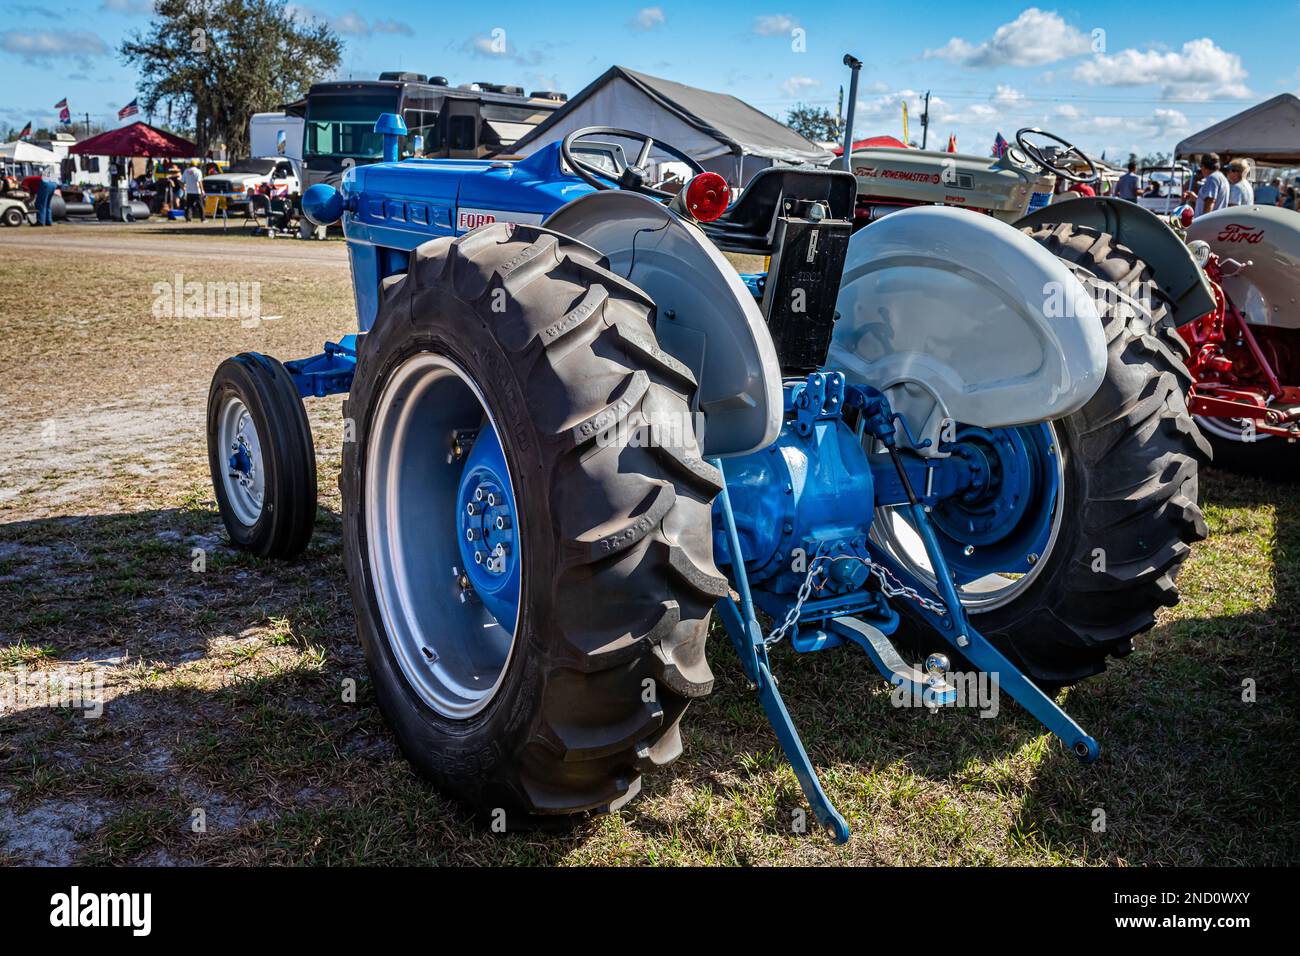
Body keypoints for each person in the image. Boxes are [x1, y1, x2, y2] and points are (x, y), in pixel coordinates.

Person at [1195, 153, 1229, 217]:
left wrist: (1202, 222)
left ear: (1203, 166)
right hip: (1217, 221)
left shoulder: (1212, 178)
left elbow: (1210, 201)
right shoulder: (1222, 177)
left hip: (1209, 224)